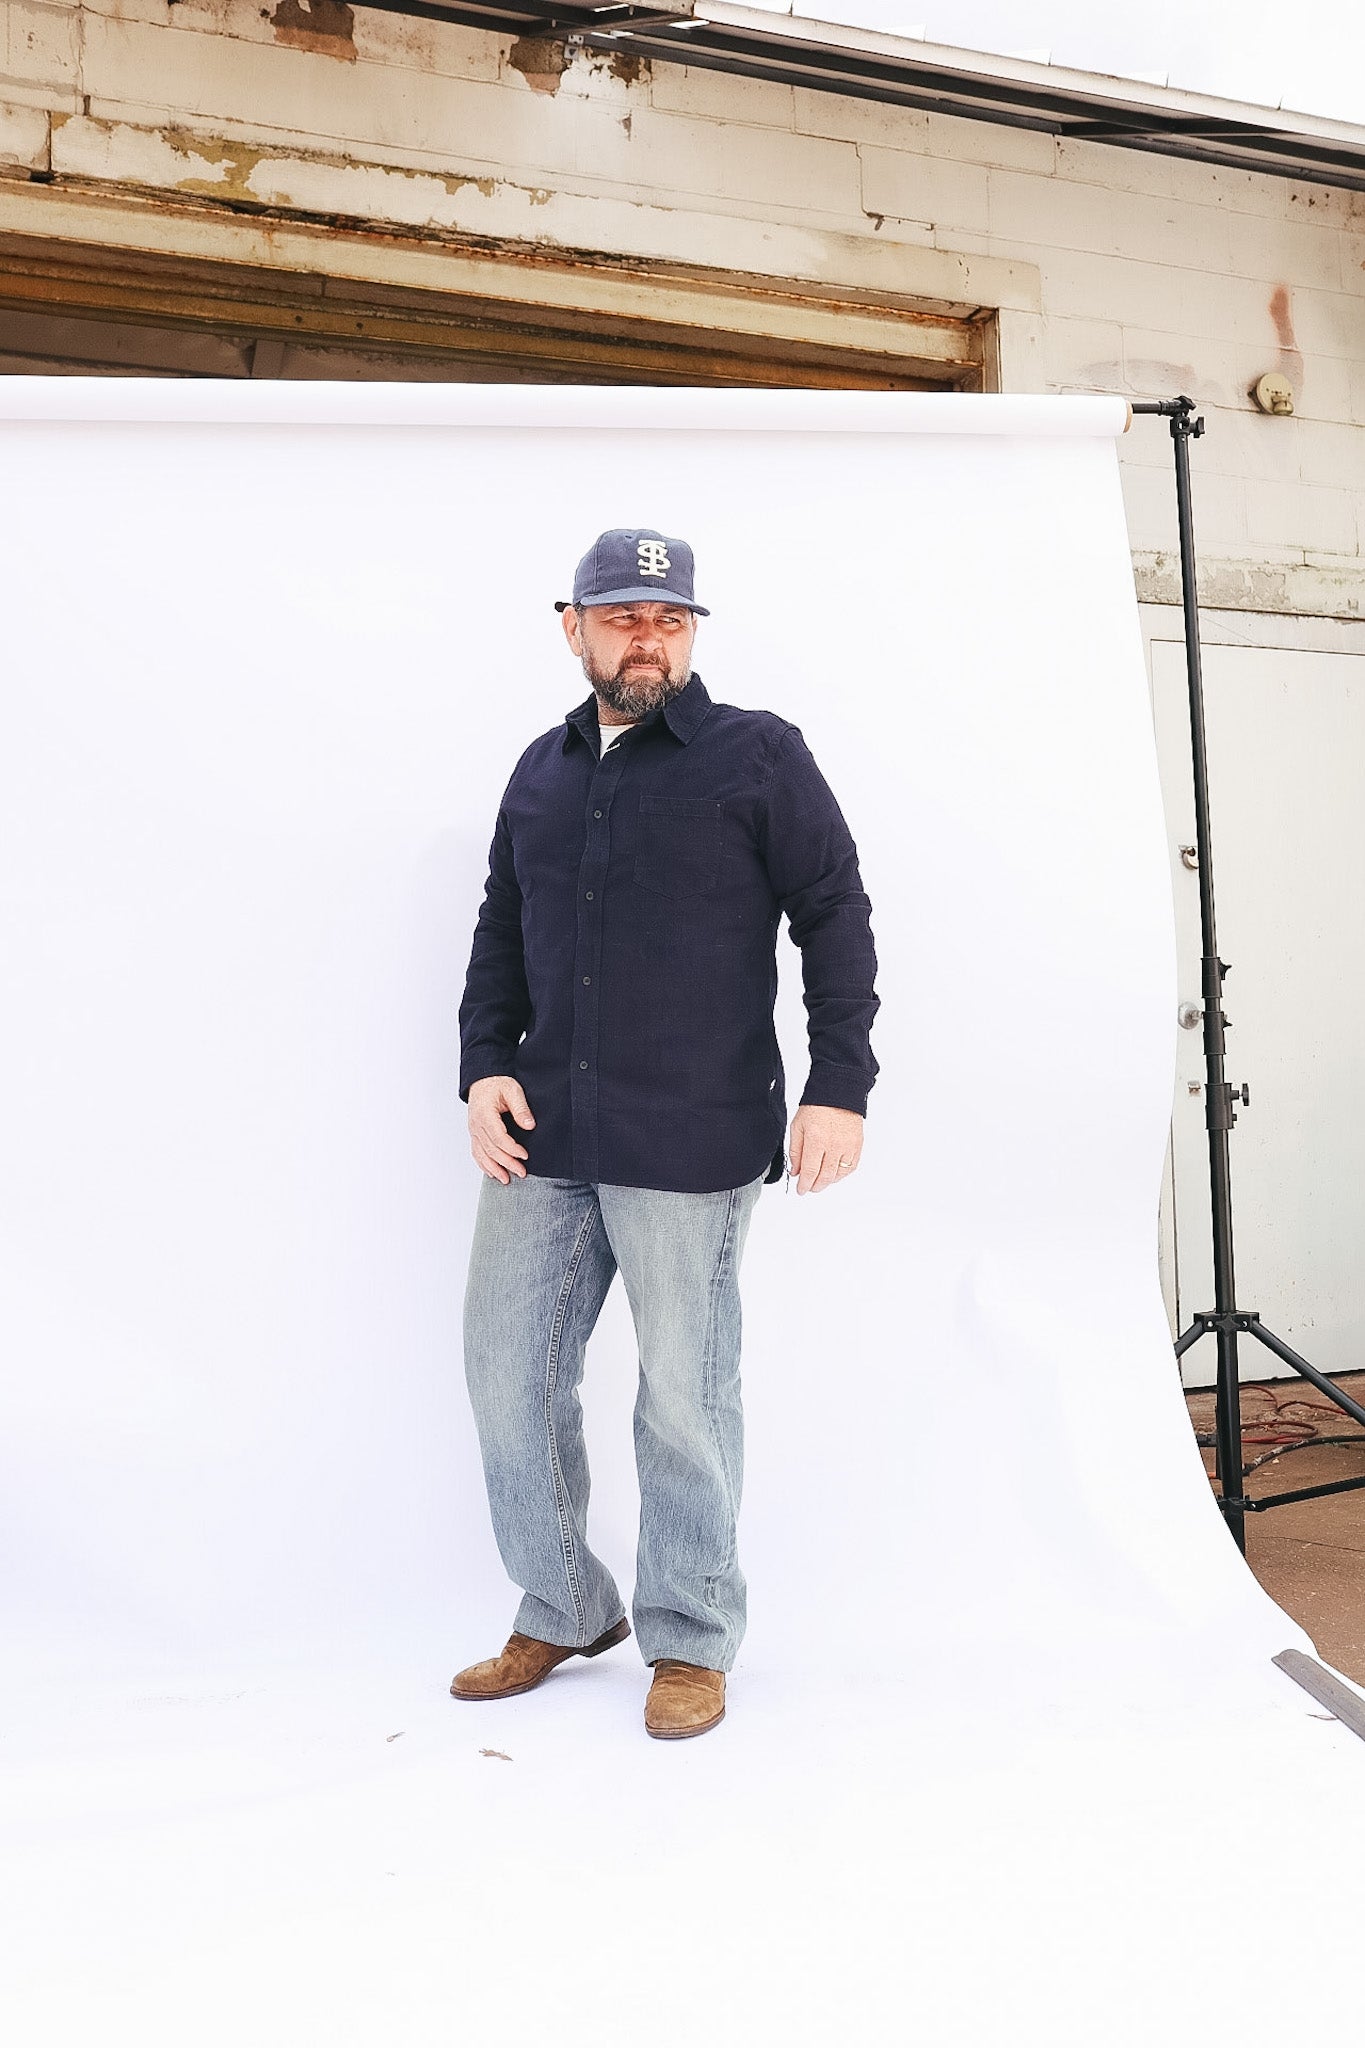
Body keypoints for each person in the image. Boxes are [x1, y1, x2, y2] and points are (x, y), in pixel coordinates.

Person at [450, 526, 880, 1739]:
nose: (648, 638)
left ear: (691, 631)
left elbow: (834, 910)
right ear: (574, 627)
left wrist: (840, 1082)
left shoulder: (758, 755)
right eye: (623, 616)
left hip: (692, 1137)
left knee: (683, 1393)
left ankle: (689, 1634)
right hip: (545, 1131)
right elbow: (500, 927)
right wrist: (483, 1066)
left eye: (670, 618)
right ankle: (565, 1603)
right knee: (506, 1374)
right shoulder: (540, 770)